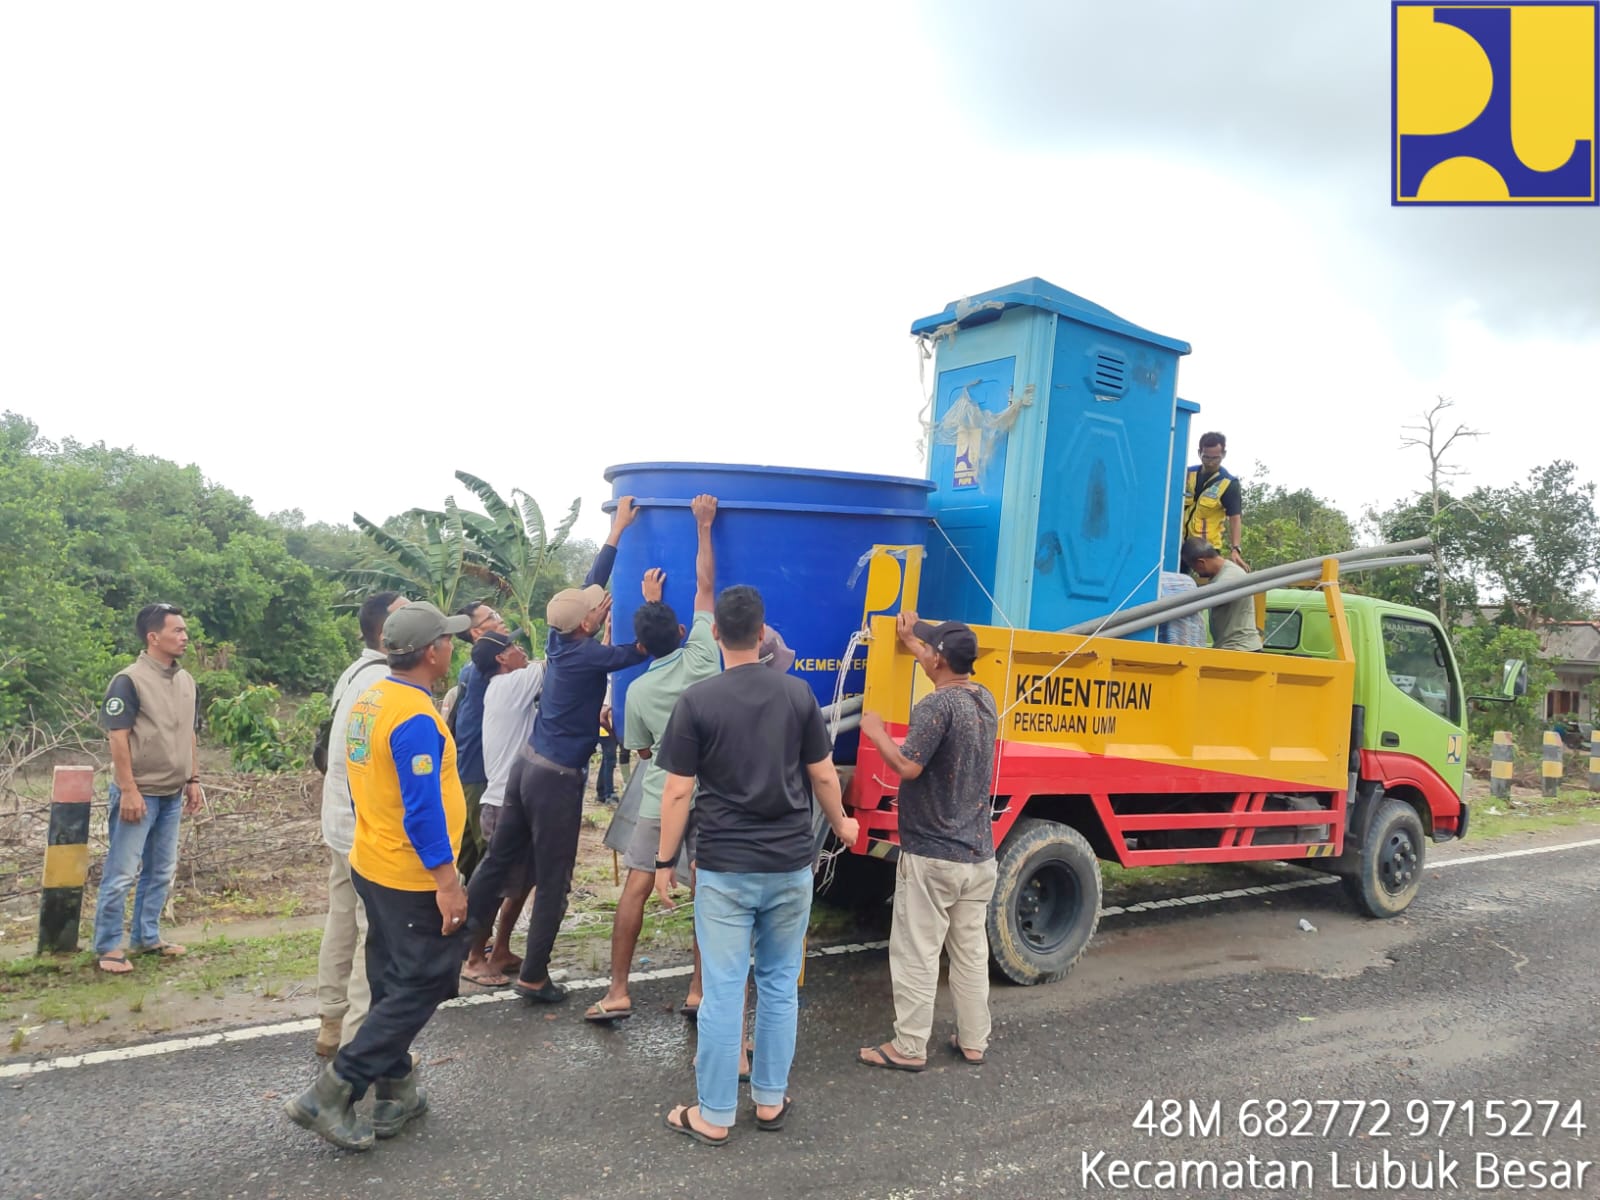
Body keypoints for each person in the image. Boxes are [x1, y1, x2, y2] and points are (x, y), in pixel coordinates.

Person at [654, 584, 860, 1145]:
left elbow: (677, 793)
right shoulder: (797, 695)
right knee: (777, 984)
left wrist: (664, 861)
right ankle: (769, 1101)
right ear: (763, 632)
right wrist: (841, 823)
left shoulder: (697, 701)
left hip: (723, 867)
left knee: (723, 988)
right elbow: (822, 775)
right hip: (790, 863)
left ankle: (714, 1115)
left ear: (716, 633)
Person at [284, 601, 471, 1152]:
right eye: (448, 639)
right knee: (424, 982)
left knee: (390, 977)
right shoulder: (414, 717)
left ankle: (398, 1090)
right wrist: (447, 879)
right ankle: (334, 1090)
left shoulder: (371, 698)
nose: (452, 646)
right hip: (409, 873)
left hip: (371, 859)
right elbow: (422, 810)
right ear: (432, 652)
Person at [465, 497, 648, 1003]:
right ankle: (534, 975)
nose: (601, 603)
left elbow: (591, 582)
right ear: (590, 622)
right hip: (556, 780)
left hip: (527, 768)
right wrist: (653, 607)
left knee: (500, 862)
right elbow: (646, 647)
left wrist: (616, 533)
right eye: (596, 607)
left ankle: (454, 945)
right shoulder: (591, 655)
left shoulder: (559, 636)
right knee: (555, 879)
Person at [587, 494, 720, 1024]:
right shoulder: (705, 653)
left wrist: (644, 600)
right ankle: (698, 991)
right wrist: (703, 527)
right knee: (709, 890)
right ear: (683, 632)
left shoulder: (637, 693)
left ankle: (618, 991)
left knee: (638, 886)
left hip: (661, 793)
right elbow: (707, 586)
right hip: (711, 792)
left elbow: (641, 751)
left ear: (641, 644)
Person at [856, 614, 998, 1071]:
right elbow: (943, 668)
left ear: (938, 658)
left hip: (933, 855)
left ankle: (910, 1047)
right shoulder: (984, 699)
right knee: (970, 951)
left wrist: (877, 732)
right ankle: (974, 1040)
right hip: (979, 854)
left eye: (928, 650)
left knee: (917, 951)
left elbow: (909, 766)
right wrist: (911, 640)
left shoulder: (936, 707)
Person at [314, 590, 405, 1056]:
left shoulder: (355, 672)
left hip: (339, 821)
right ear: (389, 631)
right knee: (378, 933)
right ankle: (360, 1040)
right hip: (364, 827)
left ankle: (332, 1022)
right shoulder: (383, 683)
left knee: (342, 918)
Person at [92, 603, 204, 974]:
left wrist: (193, 780)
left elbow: (188, 732)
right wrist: (128, 789)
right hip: (139, 794)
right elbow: (118, 738)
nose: (185, 637)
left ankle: (147, 937)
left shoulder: (186, 681)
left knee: (160, 869)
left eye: (185, 630)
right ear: (153, 637)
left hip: (172, 793)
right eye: (177, 631)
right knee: (122, 871)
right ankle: (108, 947)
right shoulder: (128, 681)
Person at [461, 629, 544, 987]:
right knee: (495, 886)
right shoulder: (510, 686)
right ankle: (474, 957)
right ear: (500, 659)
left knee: (521, 882)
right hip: (502, 803)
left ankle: (502, 951)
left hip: (515, 800)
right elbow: (560, 659)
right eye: (512, 647)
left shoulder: (509, 686)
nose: (520, 650)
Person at [450, 600, 512, 881]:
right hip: (478, 773)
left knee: (468, 852)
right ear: (477, 633)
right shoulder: (484, 671)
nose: (501, 619)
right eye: (493, 616)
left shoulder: (469, 669)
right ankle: (477, 917)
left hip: (469, 770)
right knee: (487, 850)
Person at [1182, 537, 1263, 652]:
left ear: (1201, 562)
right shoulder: (1219, 575)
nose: (1197, 573)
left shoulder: (1231, 575)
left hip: (1241, 649)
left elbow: (1210, 596)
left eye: (1195, 568)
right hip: (1231, 647)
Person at [1181, 431, 1247, 569]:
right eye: (1206, 457)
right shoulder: (1186, 474)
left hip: (1206, 548)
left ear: (1224, 454)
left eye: (1215, 458)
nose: (1210, 462)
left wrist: (1235, 549)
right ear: (1199, 453)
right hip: (1180, 543)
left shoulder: (1228, 483)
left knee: (1209, 586)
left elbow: (1235, 518)